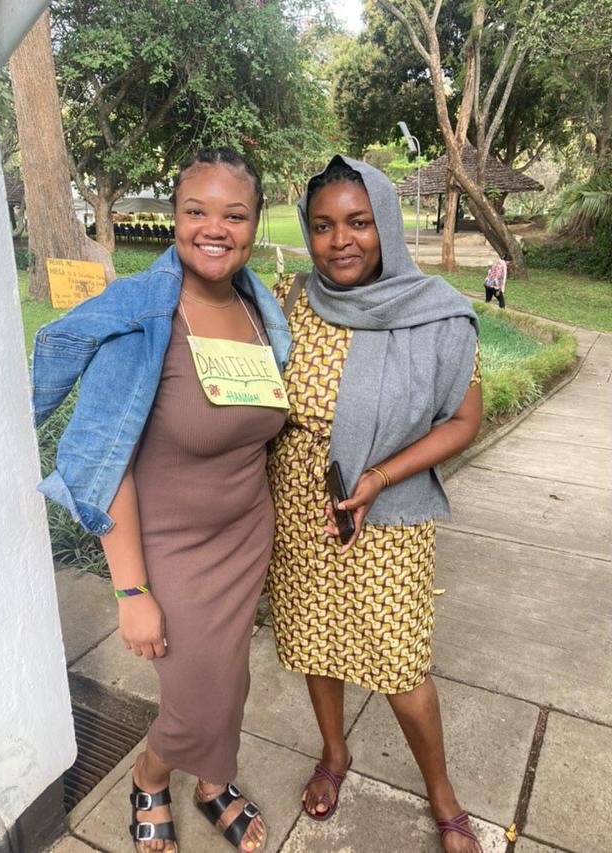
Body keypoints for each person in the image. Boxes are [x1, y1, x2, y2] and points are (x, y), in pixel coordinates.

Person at [32, 148, 292, 853]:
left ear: (254, 222)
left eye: (233, 214)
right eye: (195, 211)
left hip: (246, 534)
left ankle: (210, 780)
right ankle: (150, 775)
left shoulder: (257, 308)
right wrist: (132, 587)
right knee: (193, 695)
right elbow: (109, 460)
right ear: (175, 220)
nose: (215, 228)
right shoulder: (143, 321)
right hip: (168, 546)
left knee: (228, 678)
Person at [267, 155, 483, 853]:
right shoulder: (292, 297)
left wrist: (380, 477)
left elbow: (461, 422)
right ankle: (335, 753)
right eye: (324, 225)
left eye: (358, 222)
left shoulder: (438, 313)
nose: (340, 240)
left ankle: (443, 795)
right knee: (314, 642)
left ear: (384, 223)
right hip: (300, 504)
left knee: (398, 662)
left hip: (384, 513)